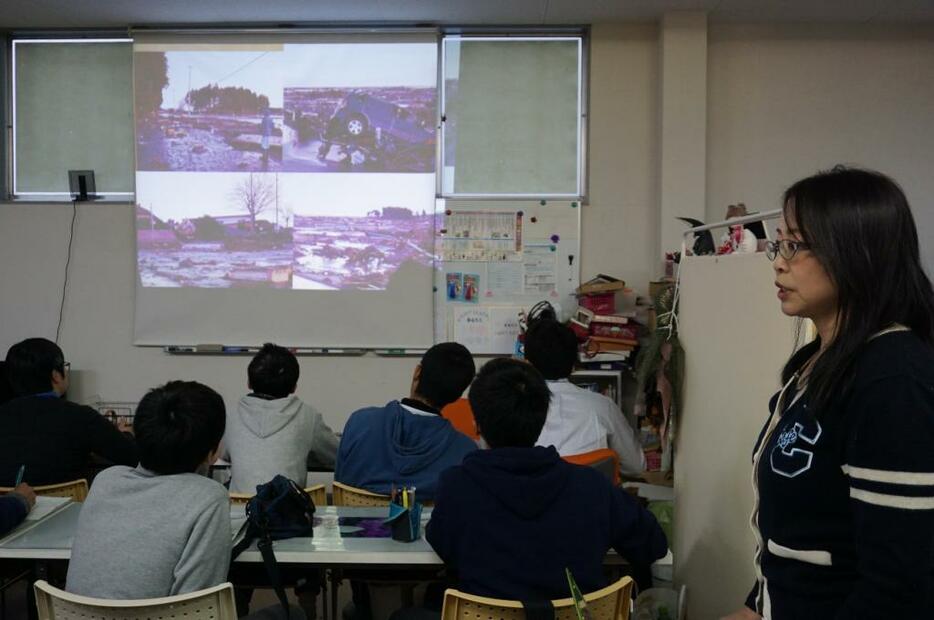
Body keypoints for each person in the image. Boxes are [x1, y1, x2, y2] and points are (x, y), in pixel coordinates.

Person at [723, 167, 934, 620]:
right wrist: (755, 606)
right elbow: (805, 537)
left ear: (856, 252)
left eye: (794, 246)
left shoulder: (893, 379)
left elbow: (899, 589)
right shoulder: (820, 363)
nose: (778, 261)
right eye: (779, 245)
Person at [426, 358, 668, 601]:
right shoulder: (592, 486)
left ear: (476, 424)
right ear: (541, 421)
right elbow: (653, 545)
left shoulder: (457, 485)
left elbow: (444, 546)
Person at [335, 342, 478, 501]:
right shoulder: (466, 453)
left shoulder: (360, 422)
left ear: (417, 372)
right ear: (457, 397)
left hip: (357, 526)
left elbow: (340, 485)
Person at [0, 338, 138, 486]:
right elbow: (133, 457)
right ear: (56, 375)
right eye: (64, 366)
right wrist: (127, 433)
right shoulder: (81, 416)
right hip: (68, 505)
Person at [525, 319, 645, 476]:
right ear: (574, 363)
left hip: (535, 498)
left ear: (527, 364)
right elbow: (636, 466)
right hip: (591, 497)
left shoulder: (513, 409)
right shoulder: (602, 406)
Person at [224, 343, 339, 494]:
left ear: (249, 383)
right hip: (285, 514)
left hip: (238, 512)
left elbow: (223, 454)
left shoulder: (232, 415)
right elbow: (336, 457)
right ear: (294, 387)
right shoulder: (307, 415)